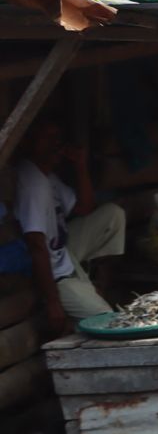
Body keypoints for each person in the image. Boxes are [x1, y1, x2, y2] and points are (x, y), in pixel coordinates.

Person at [14, 119, 126, 332]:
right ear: (28, 143)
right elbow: (36, 245)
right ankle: (84, 294)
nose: (54, 144)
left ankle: (98, 280)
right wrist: (53, 302)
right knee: (106, 321)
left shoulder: (47, 176)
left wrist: (80, 165)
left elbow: (85, 208)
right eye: (46, 138)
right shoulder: (32, 184)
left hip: (62, 250)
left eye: (57, 138)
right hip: (55, 274)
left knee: (113, 215)